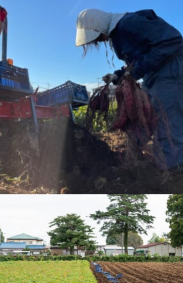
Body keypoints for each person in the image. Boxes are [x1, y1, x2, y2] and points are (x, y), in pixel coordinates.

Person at [75, 8, 183, 170]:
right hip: (153, 72)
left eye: (97, 37)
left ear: (99, 27)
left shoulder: (128, 23)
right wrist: (117, 76)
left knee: (167, 117)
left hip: (169, 68)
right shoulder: (119, 34)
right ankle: (141, 154)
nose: (100, 40)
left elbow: (171, 41)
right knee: (149, 116)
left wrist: (135, 72)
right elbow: (135, 62)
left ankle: (173, 170)